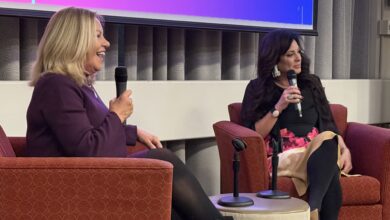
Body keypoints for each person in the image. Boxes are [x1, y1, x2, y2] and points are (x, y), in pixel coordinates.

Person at [25, 7, 232, 220]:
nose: (107, 43)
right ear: (73, 42)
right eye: (98, 36)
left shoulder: (74, 84)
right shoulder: (57, 85)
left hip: (86, 180)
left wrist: (133, 132)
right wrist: (117, 115)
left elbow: (86, 134)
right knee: (163, 160)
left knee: (170, 209)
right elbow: (88, 150)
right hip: (69, 190)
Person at [240, 29, 352, 220]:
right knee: (330, 165)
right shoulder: (258, 88)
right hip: (282, 156)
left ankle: (313, 209)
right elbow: (252, 135)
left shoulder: (312, 84)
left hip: (316, 152)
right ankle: (313, 208)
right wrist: (279, 106)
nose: (297, 58)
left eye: (299, 52)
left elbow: (329, 125)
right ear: (275, 59)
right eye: (290, 54)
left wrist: (344, 149)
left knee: (328, 144)